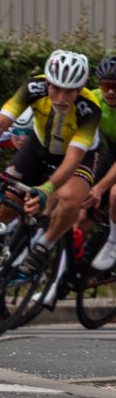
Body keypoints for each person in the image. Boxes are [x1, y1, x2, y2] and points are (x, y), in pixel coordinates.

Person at [0, 49, 101, 278]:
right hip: (37, 149)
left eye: (69, 92)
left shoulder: (90, 109)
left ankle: (43, 246)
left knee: (69, 199)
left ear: (80, 90)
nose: (60, 98)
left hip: (76, 157)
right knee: (3, 207)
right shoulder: (32, 88)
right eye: (55, 88)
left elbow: (73, 158)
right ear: (47, 82)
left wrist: (47, 188)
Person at [83, 56, 116, 271]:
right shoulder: (94, 100)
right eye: (106, 86)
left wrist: (100, 188)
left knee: (114, 195)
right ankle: (64, 274)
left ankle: (113, 242)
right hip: (113, 153)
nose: (111, 92)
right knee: (82, 207)